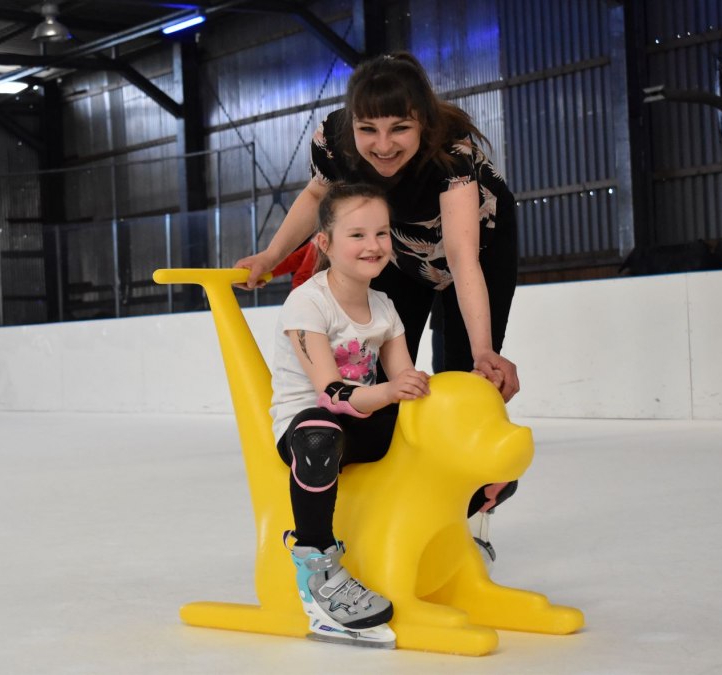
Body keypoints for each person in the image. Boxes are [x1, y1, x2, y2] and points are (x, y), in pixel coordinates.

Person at [238, 52, 521, 565]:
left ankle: (471, 519)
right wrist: (271, 255)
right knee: (386, 388)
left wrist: (484, 350)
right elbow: (316, 192)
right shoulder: (334, 136)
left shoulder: (452, 155)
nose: (383, 145)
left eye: (400, 129)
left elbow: (461, 258)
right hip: (398, 251)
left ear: (423, 124)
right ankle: (380, 511)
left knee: (464, 382)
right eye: (369, 129)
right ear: (352, 122)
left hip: (476, 252)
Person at [270, 182, 429, 648]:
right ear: (325, 243)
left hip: (359, 421)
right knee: (320, 433)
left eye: (381, 233)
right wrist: (390, 389)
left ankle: (460, 526)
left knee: (443, 423)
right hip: (309, 425)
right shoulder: (307, 302)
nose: (374, 245)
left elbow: (404, 387)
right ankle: (316, 569)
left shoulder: (384, 306)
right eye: (357, 235)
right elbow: (332, 392)